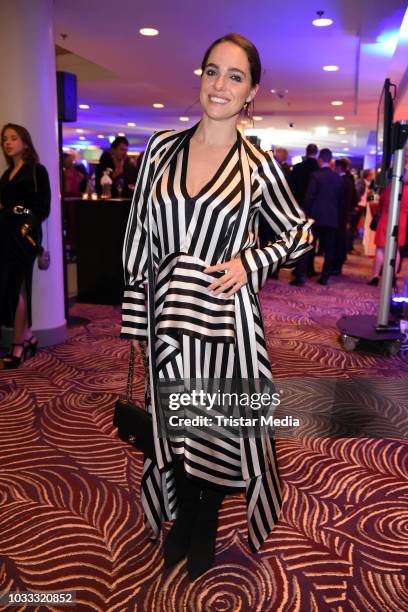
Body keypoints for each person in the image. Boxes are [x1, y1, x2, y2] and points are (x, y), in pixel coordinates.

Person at [120, 33, 313, 580]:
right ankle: (180, 517)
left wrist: (250, 263)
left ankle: (201, 523)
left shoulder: (257, 164)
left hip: (226, 326)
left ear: (251, 90)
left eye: (234, 76)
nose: (220, 85)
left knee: (215, 430)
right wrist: (138, 322)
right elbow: (137, 238)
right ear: (199, 77)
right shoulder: (161, 147)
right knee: (174, 428)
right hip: (167, 322)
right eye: (212, 71)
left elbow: (299, 234)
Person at [0, 123, 51, 368]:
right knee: (8, 287)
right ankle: (28, 336)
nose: (8, 143)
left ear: (25, 142)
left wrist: (27, 225)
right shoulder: (6, 174)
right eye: (5, 139)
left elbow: (44, 207)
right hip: (5, 233)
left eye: (13, 138)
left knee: (17, 287)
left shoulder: (37, 170)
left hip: (24, 235)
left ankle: (18, 343)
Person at [292, 148, 344, 286]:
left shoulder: (316, 175)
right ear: (330, 160)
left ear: (320, 159)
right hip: (332, 218)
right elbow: (341, 200)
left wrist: (305, 215)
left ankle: (301, 276)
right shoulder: (338, 178)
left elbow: (310, 197)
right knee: (329, 249)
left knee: (308, 246)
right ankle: (325, 277)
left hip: (315, 216)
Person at [368, 168, 408, 286]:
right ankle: (392, 277)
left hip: (386, 219)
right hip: (401, 221)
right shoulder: (407, 190)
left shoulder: (389, 188)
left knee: (380, 249)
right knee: (396, 250)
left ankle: (375, 276)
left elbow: (380, 204)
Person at [289, 143, 319, 282]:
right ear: (316, 153)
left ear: (306, 152)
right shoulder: (319, 169)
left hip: (298, 207)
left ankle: (297, 268)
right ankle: (309, 268)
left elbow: (289, 189)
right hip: (313, 210)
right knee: (312, 240)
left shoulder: (298, 167)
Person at [332, 158, 357, 275]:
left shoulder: (342, 180)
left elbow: (342, 200)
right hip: (344, 215)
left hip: (340, 215)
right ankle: (337, 265)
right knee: (339, 241)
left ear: (338, 168)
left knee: (338, 242)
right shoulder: (349, 179)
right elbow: (354, 199)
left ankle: (336, 266)